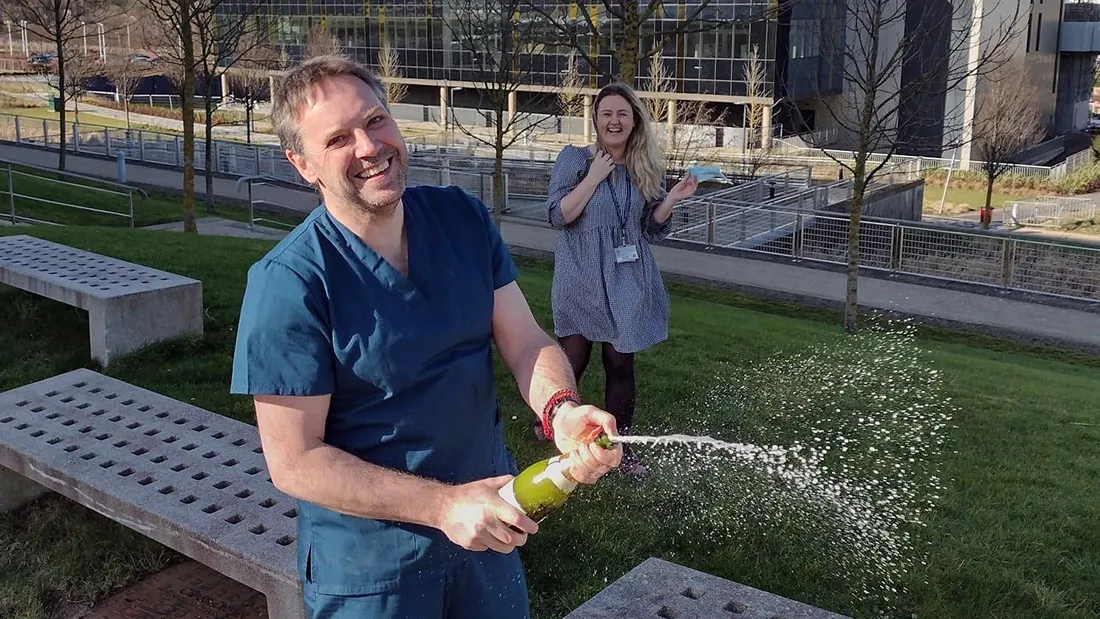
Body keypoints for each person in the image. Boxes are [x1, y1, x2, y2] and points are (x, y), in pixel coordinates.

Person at [229, 55, 623, 619]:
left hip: (490, 528)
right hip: (373, 573)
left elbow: (525, 339)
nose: (369, 146)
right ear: (302, 164)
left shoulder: (460, 217)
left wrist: (560, 410)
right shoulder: (288, 284)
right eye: (338, 138)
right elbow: (295, 460)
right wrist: (442, 506)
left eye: (376, 120)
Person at [543, 82, 699, 481]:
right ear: (595, 119)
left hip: (626, 275)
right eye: (606, 113)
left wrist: (672, 199)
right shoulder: (574, 159)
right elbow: (559, 216)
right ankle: (554, 424)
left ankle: (619, 446)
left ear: (634, 121)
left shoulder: (644, 166)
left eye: (622, 114)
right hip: (579, 271)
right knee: (573, 354)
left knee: (619, 360)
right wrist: (593, 177)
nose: (614, 121)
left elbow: (649, 228)